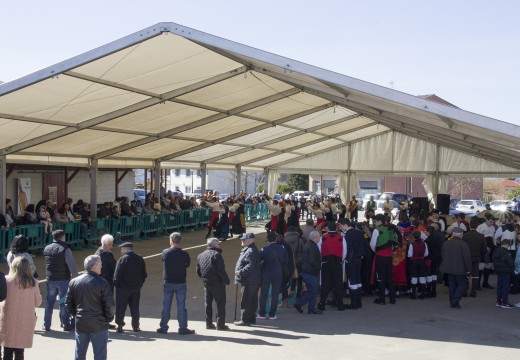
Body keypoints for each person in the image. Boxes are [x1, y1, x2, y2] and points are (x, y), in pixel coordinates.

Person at [65, 255, 115, 360]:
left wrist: (76, 315)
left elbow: (68, 303)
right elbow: (109, 305)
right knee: (100, 355)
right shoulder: (102, 282)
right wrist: (108, 319)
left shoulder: (74, 282)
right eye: (100, 264)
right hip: (99, 325)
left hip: (81, 323)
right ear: (95, 266)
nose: (102, 266)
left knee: (79, 354)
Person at [0, 257, 41, 360]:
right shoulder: (33, 283)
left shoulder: (6, 280)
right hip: (24, 321)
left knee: (7, 351)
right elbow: (38, 302)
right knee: (20, 352)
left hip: (7, 319)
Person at [157, 232, 194, 335]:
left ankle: (163, 327)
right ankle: (183, 328)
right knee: (181, 306)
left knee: (166, 306)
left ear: (171, 241)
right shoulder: (184, 253)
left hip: (168, 282)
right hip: (180, 282)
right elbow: (187, 264)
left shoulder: (165, 252)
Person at [43, 229, 78, 331]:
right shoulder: (65, 249)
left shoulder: (46, 248)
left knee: (49, 302)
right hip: (63, 279)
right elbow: (72, 267)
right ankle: (65, 324)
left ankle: (47, 324)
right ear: (63, 237)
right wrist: (75, 280)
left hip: (50, 279)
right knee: (63, 302)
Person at [196, 238, 230, 330]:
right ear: (215, 245)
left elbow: (198, 270)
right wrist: (226, 281)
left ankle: (209, 323)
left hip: (206, 282)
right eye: (218, 244)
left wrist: (204, 278)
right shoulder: (217, 255)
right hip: (217, 282)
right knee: (220, 303)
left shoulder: (200, 255)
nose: (219, 246)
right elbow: (221, 270)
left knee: (208, 303)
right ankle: (220, 324)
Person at [113, 242, 147, 333]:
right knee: (135, 308)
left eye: (122, 249)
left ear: (126, 249)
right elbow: (144, 274)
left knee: (120, 307)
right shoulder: (140, 259)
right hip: (136, 288)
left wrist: (118, 286)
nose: (121, 251)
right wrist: (140, 284)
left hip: (123, 288)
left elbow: (116, 276)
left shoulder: (122, 259)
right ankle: (136, 327)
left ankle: (120, 325)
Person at [258, 231, 288, 319]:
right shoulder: (282, 248)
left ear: (267, 239)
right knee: (275, 294)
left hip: (266, 274)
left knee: (264, 294)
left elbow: (258, 262)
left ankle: (262, 313)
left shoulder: (264, 249)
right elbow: (286, 261)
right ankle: (272, 314)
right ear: (276, 239)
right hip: (278, 274)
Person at [317, 221, 347, 311]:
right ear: (336, 228)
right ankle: (340, 305)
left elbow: (318, 251)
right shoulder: (342, 238)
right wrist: (339, 260)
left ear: (327, 228)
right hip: (337, 264)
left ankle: (322, 304)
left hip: (326, 263)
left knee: (325, 285)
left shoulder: (323, 238)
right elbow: (344, 252)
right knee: (338, 285)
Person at [440, 227, 471, 309]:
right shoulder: (463, 244)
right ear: (461, 234)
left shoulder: (446, 243)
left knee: (452, 285)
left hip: (448, 268)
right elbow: (467, 258)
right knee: (462, 284)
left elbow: (442, 255)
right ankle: (455, 300)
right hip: (460, 269)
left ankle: (452, 302)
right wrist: (468, 269)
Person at [234, 233, 261, 326]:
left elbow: (251, 265)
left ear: (250, 240)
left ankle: (245, 320)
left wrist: (241, 272)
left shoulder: (250, 251)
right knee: (252, 299)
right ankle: (252, 318)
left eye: (244, 240)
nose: (242, 241)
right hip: (253, 279)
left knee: (246, 300)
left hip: (249, 279)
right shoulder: (251, 249)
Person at [293, 230, 322, 314]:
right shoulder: (313, 246)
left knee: (312, 290)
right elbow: (312, 260)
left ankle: (311, 308)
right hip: (310, 272)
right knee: (313, 290)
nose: (320, 238)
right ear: (315, 237)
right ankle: (299, 303)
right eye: (319, 237)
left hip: (306, 271)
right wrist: (317, 268)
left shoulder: (309, 244)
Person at [339, 218, 365, 309]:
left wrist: (343, 259)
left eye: (340, 225)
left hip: (351, 260)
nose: (340, 227)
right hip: (359, 259)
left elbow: (346, 250)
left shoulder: (348, 235)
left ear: (343, 224)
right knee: (358, 281)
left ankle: (353, 304)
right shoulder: (359, 233)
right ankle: (359, 303)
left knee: (352, 281)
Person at [462, 217, 487, 298]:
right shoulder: (481, 236)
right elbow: (484, 249)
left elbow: (462, 247)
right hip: (476, 257)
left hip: (466, 258)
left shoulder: (465, 235)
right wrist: (482, 257)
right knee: (475, 275)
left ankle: (465, 291)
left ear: (469, 225)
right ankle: (473, 292)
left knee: (465, 274)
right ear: (477, 226)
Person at [493, 240, 515, 308]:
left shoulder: (495, 251)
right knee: (505, 287)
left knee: (499, 286)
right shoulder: (506, 253)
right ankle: (504, 303)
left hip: (498, 271)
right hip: (506, 271)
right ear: (507, 245)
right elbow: (511, 263)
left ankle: (498, 301)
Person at [408, 231, 429, 299]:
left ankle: (413, 295)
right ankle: (423, 294)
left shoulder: (412, 244)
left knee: (414, 277)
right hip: (422, 261)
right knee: (422, 277)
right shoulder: (424, 244)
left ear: (413, 237)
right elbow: (426, 254)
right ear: (420, 236)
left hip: (414, 262)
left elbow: (410, 254)